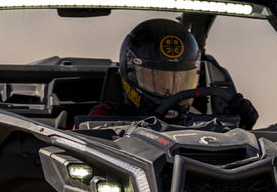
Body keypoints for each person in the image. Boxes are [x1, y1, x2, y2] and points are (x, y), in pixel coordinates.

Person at [88, 18, 258, 128]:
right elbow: (84, 147)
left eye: (181, 80)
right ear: (130, 75)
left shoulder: (200, 122)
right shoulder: (105, 116)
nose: (170, 89)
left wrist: (242, 128)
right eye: (158, 79)